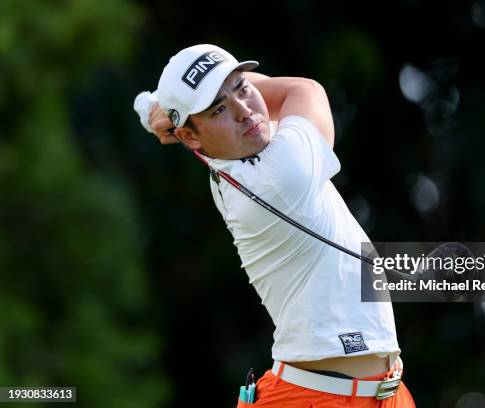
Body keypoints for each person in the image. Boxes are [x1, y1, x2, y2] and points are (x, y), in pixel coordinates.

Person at [134, 44, 416, 407]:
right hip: (313, 398)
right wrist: (169, 106)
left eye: (241, 88)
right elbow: (302, 91)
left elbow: (262, 105)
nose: (244, 112)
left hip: (382, 393)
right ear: (189, 137)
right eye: (219, 108)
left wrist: (175, 106)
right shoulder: (283, 172)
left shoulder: (227, 150)